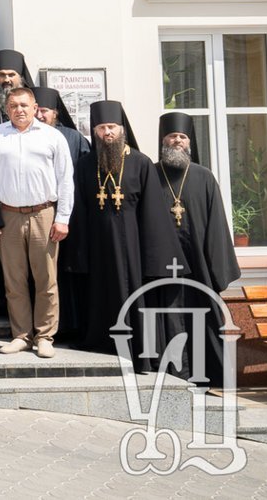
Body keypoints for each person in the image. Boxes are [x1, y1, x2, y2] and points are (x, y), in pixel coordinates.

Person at [67, 100, 184, 368]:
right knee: (100, 294)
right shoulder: (85, 165)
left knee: (134, 295)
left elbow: (153, 212)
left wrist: (153, 255)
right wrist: (79, 251)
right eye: (100, 128)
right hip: (98, 246)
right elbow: (80, 209)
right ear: (93, 131)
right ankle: (105, 343)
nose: (107, 133)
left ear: (122, 129)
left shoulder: (141, 163)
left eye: (111, 127)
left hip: (133, 245)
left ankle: (138, 349)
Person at [0, 86, 73, 358]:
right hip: (7, 215)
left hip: (44, 214)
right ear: (6, 109)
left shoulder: (52, 137)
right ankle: (21, 335)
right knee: (14, 280)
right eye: (13, 106)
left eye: (24, 105)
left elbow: (66, 180)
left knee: (46, 278)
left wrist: (63, 218)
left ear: (35, 108)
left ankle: (45, 336)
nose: (19, 110)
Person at [150, 111, 241, 388]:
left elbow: (217, 224)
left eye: (182, 136)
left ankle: (209, 377)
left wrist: (217, 267)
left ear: (189, 142)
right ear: (162, 140)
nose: (177, 140)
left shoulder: (204, 177)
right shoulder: (151, 174)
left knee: (203, 318)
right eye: (172, 136)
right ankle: (173, 379)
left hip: (199, 264)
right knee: (166, 318)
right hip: (163, 267)